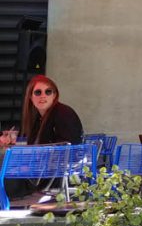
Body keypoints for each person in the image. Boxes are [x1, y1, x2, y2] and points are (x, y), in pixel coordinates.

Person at [1, 75, 85, 203]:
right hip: (45, 171)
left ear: (54, 95)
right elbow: (32, 146)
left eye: (48, 91)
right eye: (38, 92)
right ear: (30, 97)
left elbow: (67, 147)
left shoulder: (63, 113)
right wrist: (14, 142)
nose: (43, 96)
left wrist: (30, 165)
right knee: (8, 169)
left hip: (55, 174)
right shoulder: (39, 119)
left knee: (8, 172)